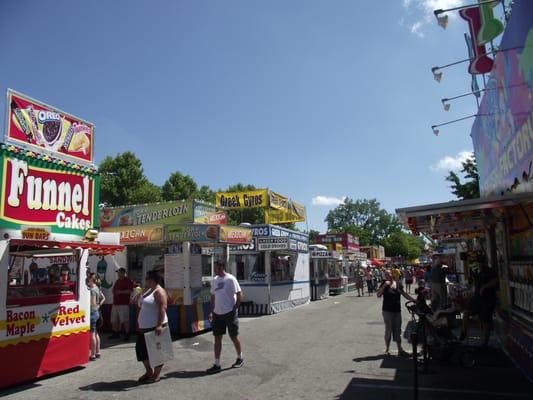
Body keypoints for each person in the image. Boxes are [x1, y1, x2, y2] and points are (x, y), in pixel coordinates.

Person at [206, 261, 243, 373]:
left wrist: (235, 307)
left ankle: (240, 358)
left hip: (229, 312)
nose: (214, 270)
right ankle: (217, 364)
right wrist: (211, 311)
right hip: (217, 313)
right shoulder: (215, 280)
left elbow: (239, 293)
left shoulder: (230, 279)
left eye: (216, 268)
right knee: (217, 338)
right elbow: (212, 296)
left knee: (233, 336)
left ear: (221, 267)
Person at [136, 270, 168, 384]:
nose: (145, 280)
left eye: (147, 278)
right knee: (141, 351)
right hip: (144, 327)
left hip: (155, 326)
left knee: (156, 352)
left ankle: (156, 375)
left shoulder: (159, 291)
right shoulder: (148, 290)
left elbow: (162, 307)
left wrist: (159, 325)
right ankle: (149, 371)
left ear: (153, 280)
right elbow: (141, 305)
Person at [376, 270, 414, 356]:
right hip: (387, 311)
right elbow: (378, 295)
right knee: (388, 330)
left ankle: (400, 349)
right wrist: (384, 285)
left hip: (397, 311)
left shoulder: (398, 284)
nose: (386, 276)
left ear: (392, 275)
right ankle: (387, 349)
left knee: (397, 330)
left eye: (388, 274)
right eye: (385, 275)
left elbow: (404, 294)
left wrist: (413, 300)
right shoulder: (384, 284)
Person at [460, 262, 498, 346]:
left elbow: (495, 281)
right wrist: (471, 291)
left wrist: (485, 286)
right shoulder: (475, 270)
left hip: (488, 299)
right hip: (477, 298)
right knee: (465, 312)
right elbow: (474, 283)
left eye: (477, 263)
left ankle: (484, 343)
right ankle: (464, 331)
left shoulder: (489, 270)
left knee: (485, 321)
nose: (475, 265)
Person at [109, 267, 134, 341]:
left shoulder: (128, 281)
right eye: (118, 273)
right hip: (115, 303)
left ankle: (127, 334)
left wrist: (121, 292)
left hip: (123, 304)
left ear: (123, 273)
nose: (118, 274)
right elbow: (114, 290)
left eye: (119, 272)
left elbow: (130, 291)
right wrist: (114, 292)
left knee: (125, 320)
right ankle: (115, 333)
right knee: (114, 319)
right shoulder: (117, 281)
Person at [88, 273, 105, 361]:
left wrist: (94, 306)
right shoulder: (97, 287)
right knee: (96, 333)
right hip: (96, 312)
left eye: (88, 277)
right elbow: (103, 298)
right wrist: (98, 306)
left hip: (92, 313)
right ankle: (98, 352)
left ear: (91, 279)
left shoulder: (91, 290)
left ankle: (93, 354)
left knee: (92, 334)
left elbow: (92, 303)